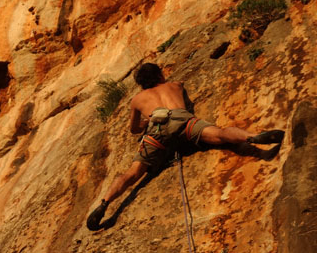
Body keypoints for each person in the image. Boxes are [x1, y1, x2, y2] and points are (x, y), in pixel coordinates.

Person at [86, 63, 284, 231]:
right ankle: (253, 136)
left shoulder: (137, 100)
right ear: (159, 75)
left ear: (141, 83)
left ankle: (104, 204)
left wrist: (147, 123)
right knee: (220, 134)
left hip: (156, 128)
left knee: (134, 172)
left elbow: (133, 130)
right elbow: (187, 108)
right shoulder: (176, 85)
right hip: (183, 120)